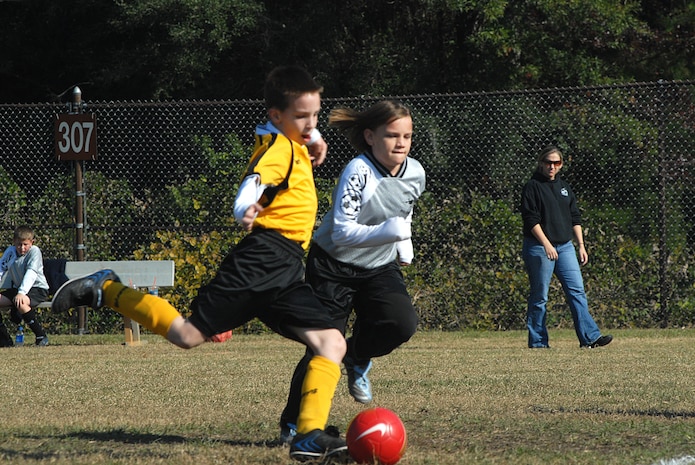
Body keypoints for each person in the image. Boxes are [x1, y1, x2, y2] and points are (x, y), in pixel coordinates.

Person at [51, 65, 349, 462]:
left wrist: (314, 137)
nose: (310, 123)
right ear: (278, 116)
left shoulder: (292, 137)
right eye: (302, 116)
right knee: (188, 335)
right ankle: (106, 289)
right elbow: (254, 183)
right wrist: (245, 207)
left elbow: (298, 135)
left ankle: (308, 435)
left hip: (288, 268)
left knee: (330, 342)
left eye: (315, 115)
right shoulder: (279, 149)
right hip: (261, 260)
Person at [279, 100, 426, 443]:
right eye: (392, 135)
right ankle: (293, 425)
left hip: (378, 266)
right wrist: (390, 233)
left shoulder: (416, 172)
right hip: (332, 265)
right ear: (370, 136)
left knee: (401, 323)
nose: (401, 143)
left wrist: (402, 244)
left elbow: (404, 210)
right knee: (322, 348)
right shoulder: (357, 171)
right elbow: (343, 231)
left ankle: (358, 354)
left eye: (407, 136)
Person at [520, 145, 613, 349]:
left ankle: (590, 338)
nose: (551, 166)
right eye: (548, 162)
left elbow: (574, 217)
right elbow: (530, 219)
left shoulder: (564, 188)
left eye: (556, 163)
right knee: (540, 296)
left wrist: (581, 245)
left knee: (577, 291)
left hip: (565, 247)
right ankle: (538, 342)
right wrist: (546, 244)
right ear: (541, 163)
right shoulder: (533, 187)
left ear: (561, 165)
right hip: (539, 247)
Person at [0, 225, 50, 347]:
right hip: (19, 290)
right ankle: (4, 339)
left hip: (37, 289)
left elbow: (31, 273)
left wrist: (21, 292)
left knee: (21, 302)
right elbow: (1, 268)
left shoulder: (35, 252)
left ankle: (41, 336)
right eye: (18, 244)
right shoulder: (10, 252)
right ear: (14, 242)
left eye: (25, 244)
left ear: (32, 242)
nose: (22, 248)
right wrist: (20, 292)